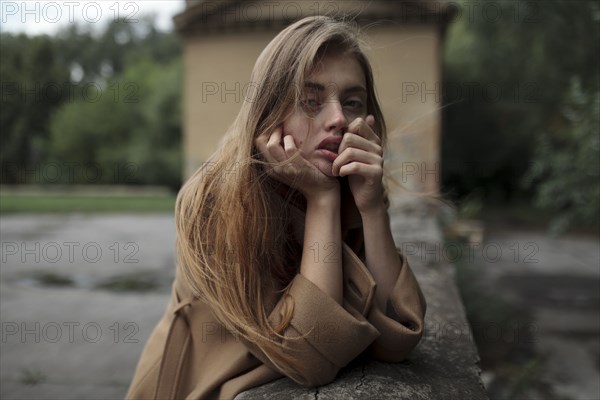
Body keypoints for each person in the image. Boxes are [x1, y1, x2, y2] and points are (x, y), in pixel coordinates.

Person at [126, 15, 426, 400]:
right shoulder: (213, 199)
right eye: (310, 100)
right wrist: (321, 201)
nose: (337, 119)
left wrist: (371, 209)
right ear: (269, 109)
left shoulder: (353, 187)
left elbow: (398, 338)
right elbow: (310, 357)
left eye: (352, 102)